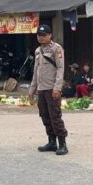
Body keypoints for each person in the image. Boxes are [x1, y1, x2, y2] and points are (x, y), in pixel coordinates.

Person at [28, 24, 68, 155]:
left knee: (55, 116)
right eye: (39, 35)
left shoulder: (57, 49)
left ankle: (62, 144)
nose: (41, 37)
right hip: (41, 89)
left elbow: (61, 68)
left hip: (52, 89)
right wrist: (32, 88)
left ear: (50, 35)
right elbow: (36, 71)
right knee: (45, 116)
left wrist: (57, 87)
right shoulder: (37, 51)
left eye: (44, 35)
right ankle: (51, 142)